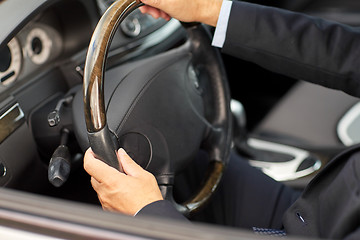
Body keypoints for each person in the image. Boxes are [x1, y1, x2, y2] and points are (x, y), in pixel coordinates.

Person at [84, 0, 360, 239]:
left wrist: (148, 215)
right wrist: (207, 8)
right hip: (329, 212)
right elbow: (350, 53)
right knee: (190, 166)